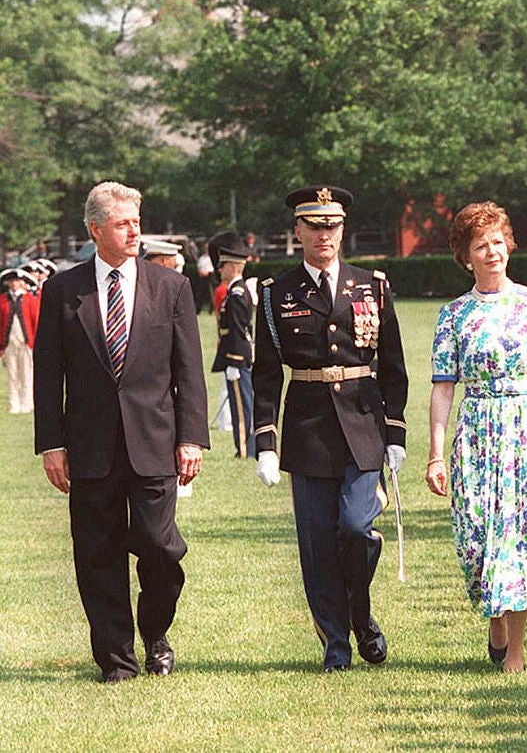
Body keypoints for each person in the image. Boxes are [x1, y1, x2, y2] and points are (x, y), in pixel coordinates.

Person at [33, 181, 209, 683]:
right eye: (122, 223)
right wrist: (52, 443)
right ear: (95, 230)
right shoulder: (63, 290)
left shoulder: (170, 287)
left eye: (136, 220)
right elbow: (49, 373)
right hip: (88, 448)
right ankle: (116, 659)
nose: (135, 230)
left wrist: (191, 437)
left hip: (155, 441)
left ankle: (155, 633)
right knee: (97, 556)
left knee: (159, 547)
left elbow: (189, 371)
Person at [425, 201, 527, 673]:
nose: (492, 252)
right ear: (466, 256)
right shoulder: (453, 314)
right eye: (482, 245)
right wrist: (436, 454)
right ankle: (494, 618)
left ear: (509, 245)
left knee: (517, 540)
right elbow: (442, 388)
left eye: (499, 242)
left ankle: (515, 650)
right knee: (477, 540)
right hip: (476, 431)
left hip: (524, 432)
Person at [252, 185, 408, 672]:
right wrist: (265, 444)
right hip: (309, 428)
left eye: (333, 226)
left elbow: (394, 365)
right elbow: (265, 373)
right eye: (314, 226)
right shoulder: (276, 293)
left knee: (357, 528)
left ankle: (361, 617)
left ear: (343, 230)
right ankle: (336, 645)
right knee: (319, 544)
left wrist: (396, 432)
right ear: (297, 232)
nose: (324, 235)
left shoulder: (372, 286)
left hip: (363, 426)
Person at [208, 231, 255, 459]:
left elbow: (238, 329)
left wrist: (235, 361)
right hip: (238, 354)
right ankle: (246, 446)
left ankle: (245, 448)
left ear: (234, 267)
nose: (220, 270)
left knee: (242, 406)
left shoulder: (236, 292)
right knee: (242, 403)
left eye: (223, 265)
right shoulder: (235, 291)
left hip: (237, 356)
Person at [0, 267, 40, 413]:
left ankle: (26, 402)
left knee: (26, 373)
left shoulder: (29, 299)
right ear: (8, 283)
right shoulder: (2, 300)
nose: (15, 283)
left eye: (17, 280)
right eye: (12, 281)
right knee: (12, 375)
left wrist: (36, 344)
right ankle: (14, 404)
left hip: (26, 343)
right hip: (9, 343)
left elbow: (35, 321)